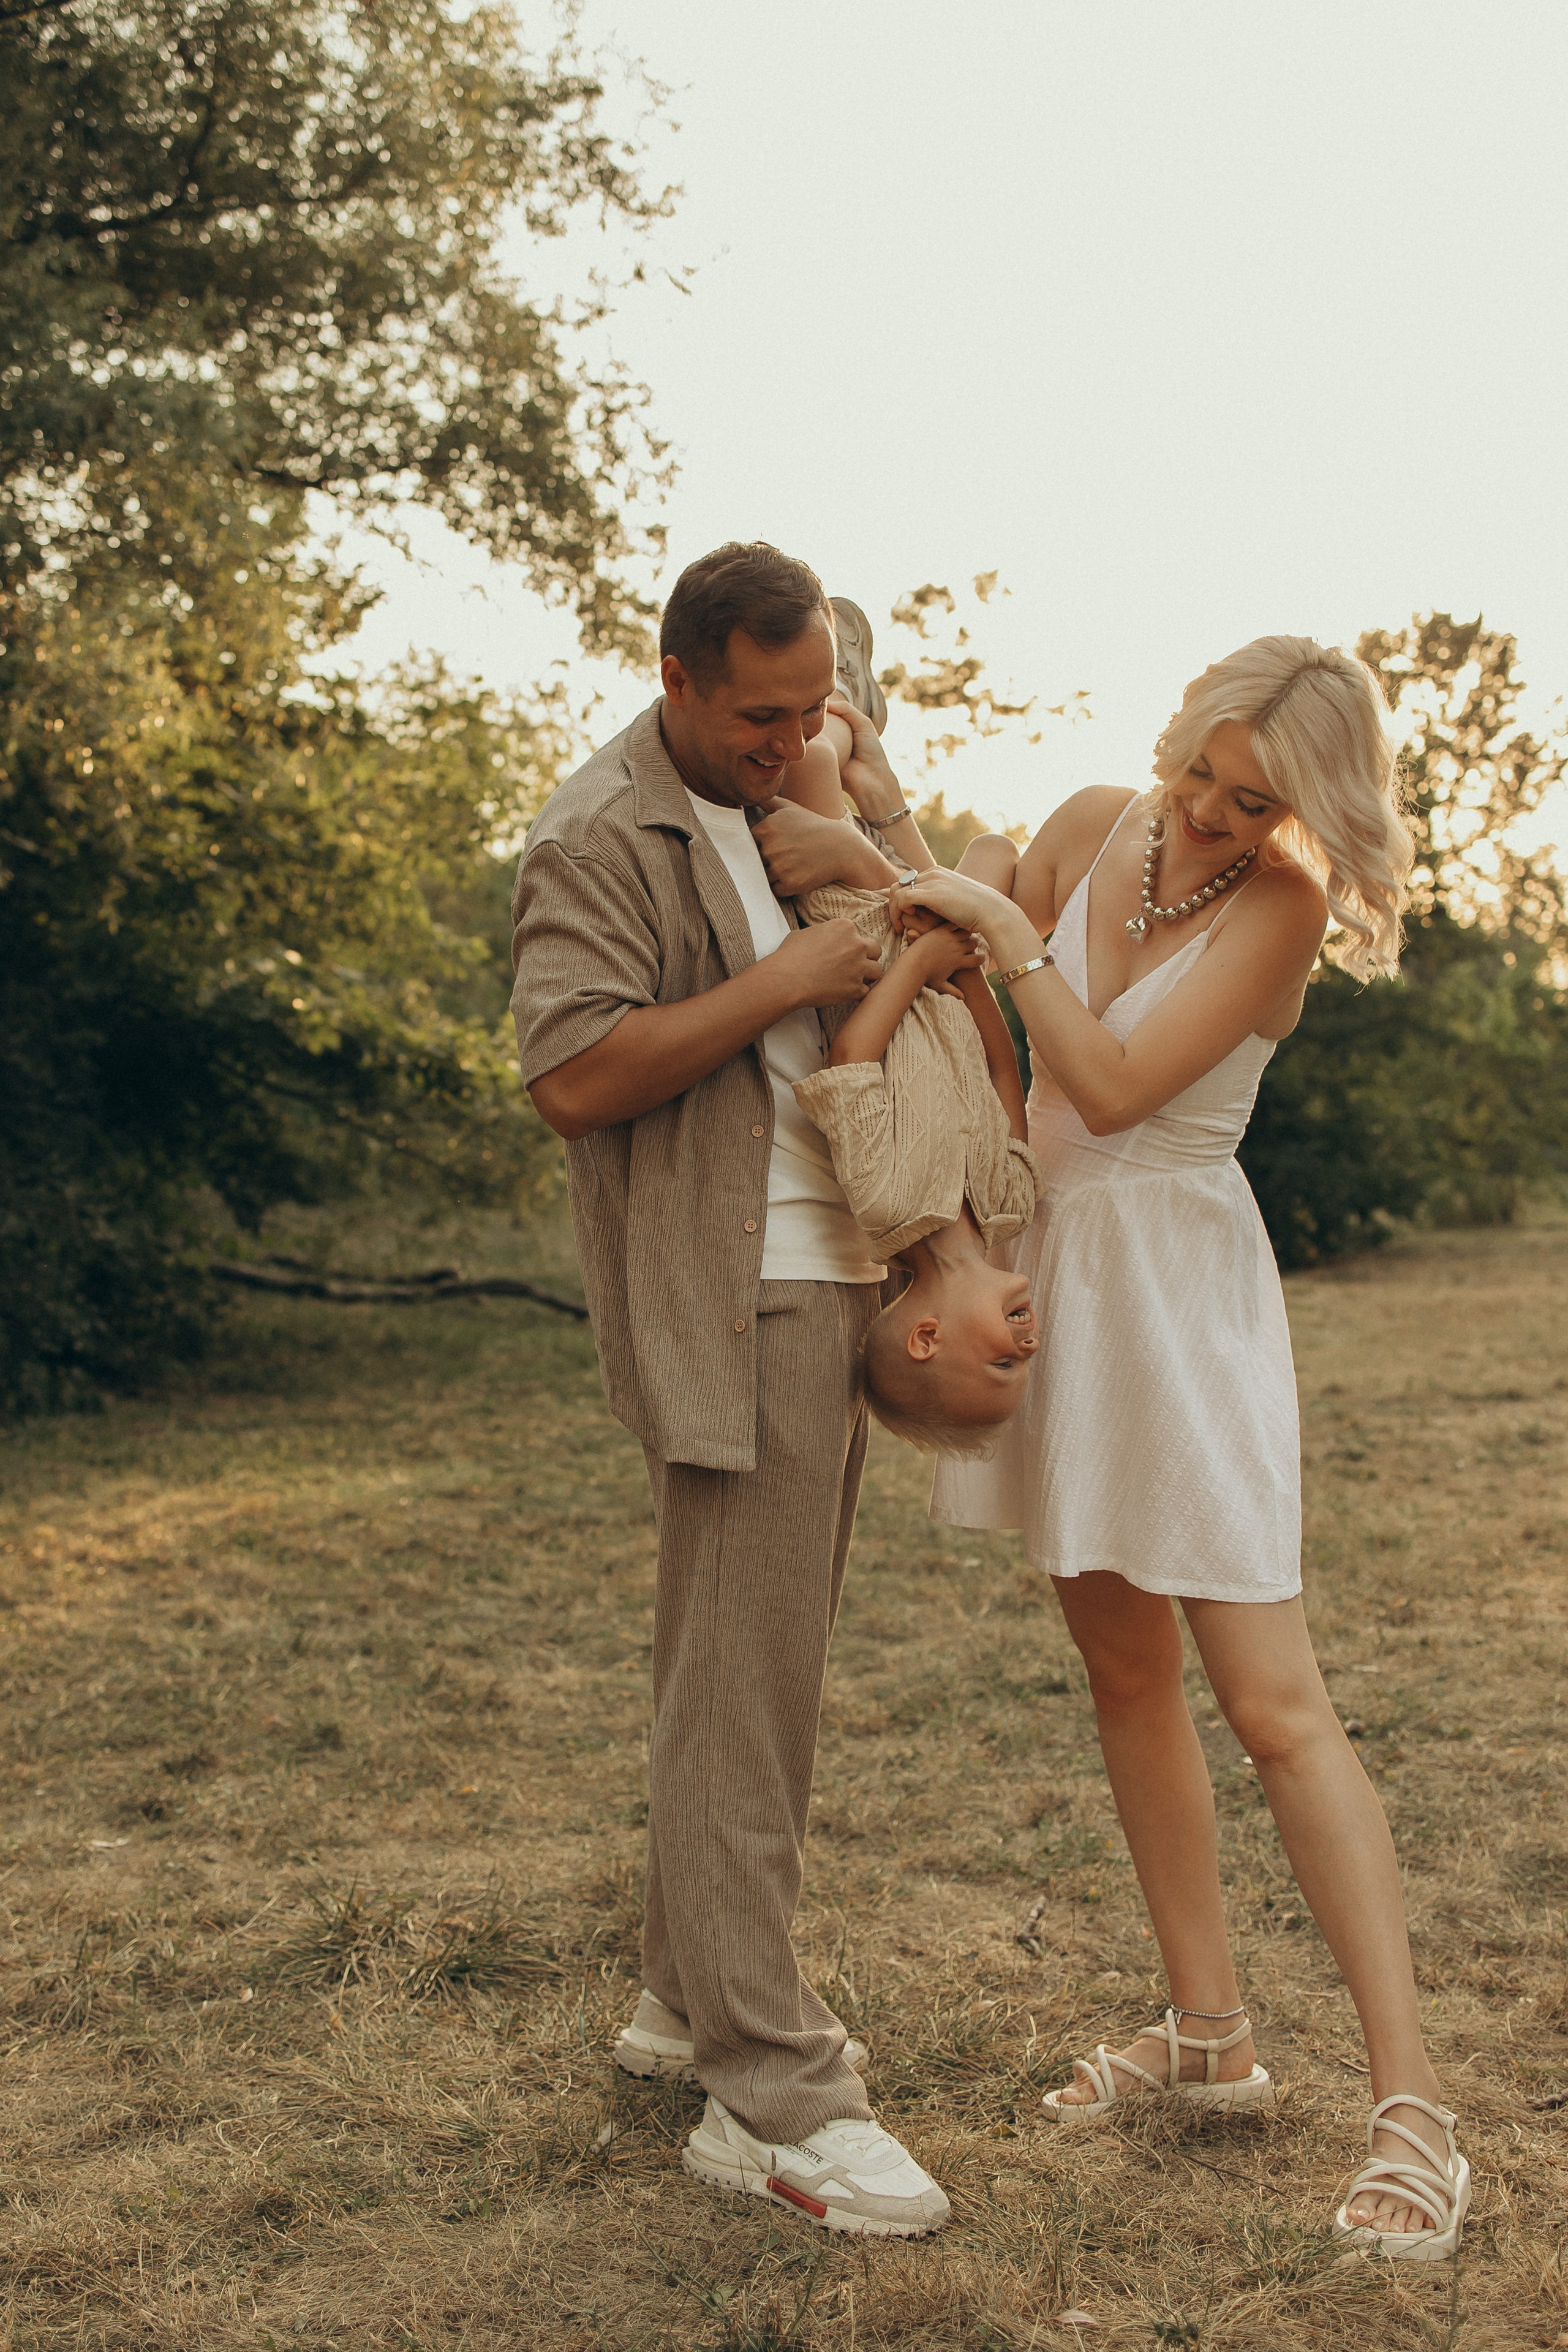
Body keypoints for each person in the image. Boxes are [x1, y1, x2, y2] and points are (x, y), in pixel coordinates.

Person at [885, 636, 1471, 2263]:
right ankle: (1208, 2034)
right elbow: (1008, 1076)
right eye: (1201, 777)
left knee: (1275, 1705)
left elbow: (1121, 1079)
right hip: (1054, 1270)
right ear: (1176, 738)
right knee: (1121, 1667)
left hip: (1181, 1299)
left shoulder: (1280, 908)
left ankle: (1415, 2110)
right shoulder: (1090, 819)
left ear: (1311, 810)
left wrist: (1005, 934)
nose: (1211, 818)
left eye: (1254, 801)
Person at [510, 541, 951, 2238]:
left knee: (728, 1659)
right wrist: (776, 982)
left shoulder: (812, 769)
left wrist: (858, 819)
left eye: (813, 705)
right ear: (679, 678)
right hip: (732, 1285)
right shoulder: (596, 831)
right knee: (748, 1692)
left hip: (830, 1267)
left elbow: (941, 937)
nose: (788, 741)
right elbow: (573, 1074)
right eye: (758, 717)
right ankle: (770, 2092)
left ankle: (678, 2000)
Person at [775, 692, 1046, 1453]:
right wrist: (965, 977)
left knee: (819, 757)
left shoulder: (886, 1206)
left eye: (1001, 1362)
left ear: (925, 1336)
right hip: (938, 970)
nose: (1027, 1349)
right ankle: (864, 770)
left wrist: (921, 959)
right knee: (994, 853)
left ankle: (822, 695)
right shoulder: (1012, 1203)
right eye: (1025, 1363)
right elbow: (1003, 1074)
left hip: (863, 939)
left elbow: (852, 1059)